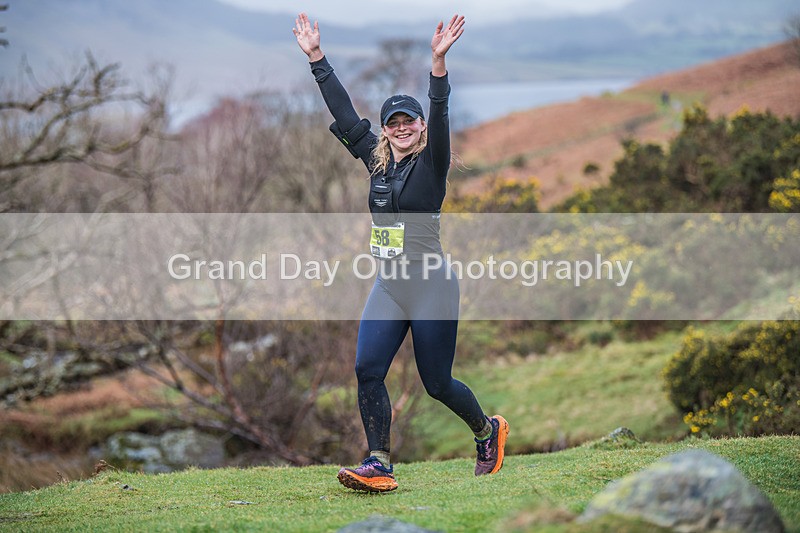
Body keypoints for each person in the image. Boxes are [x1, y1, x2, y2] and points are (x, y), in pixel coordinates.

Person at [293, 12, 508, 493]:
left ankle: (486, 431)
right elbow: (345, 114)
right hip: (390, 287)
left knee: (437, 384)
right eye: (393, 122)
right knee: (367, 368)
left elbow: (441, 110)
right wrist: (316, 59)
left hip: (432, 286)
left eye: (409, 120)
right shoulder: (376, 161)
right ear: (386, 130)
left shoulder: (432, 165)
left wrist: (438, 63)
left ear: (419, 127)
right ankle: (379, 463)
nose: (402, 127)